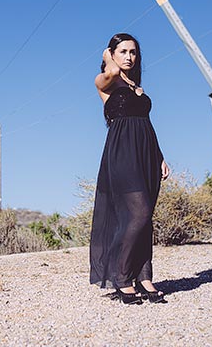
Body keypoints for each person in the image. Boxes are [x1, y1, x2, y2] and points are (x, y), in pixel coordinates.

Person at [89, 33, 170, 304]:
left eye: (133, 52)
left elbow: (146, 123)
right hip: (122, 153)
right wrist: (106, 58)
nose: (129, 57)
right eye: (123, 51)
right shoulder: (105, 81)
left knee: (146, 217)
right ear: (111, 53)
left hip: (146, 153)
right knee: (139, 212)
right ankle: (122, 277)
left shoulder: (137, 86)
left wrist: (159, 157)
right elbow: (109, 71)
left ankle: (144, 276)